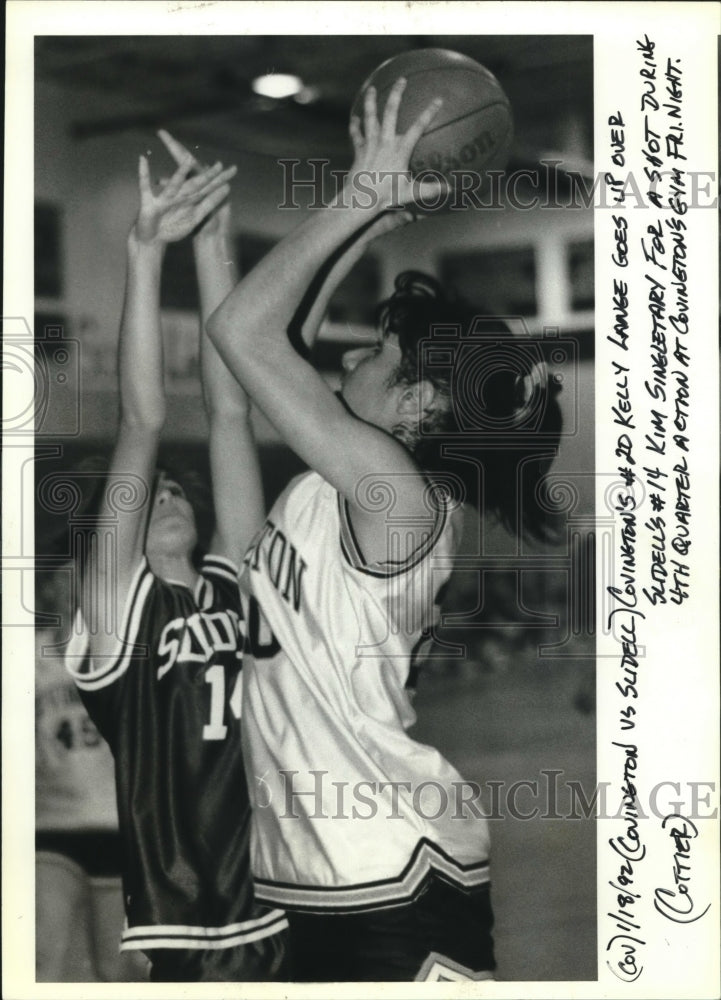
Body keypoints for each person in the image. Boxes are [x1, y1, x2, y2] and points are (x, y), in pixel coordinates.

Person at [206, 79, 562, 981]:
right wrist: (376, 222)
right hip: (313, 868)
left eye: (378, 354)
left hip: (389, 866)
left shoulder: (396, 497)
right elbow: (266, 336)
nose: (350, 356)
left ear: (419, 402)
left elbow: (246, 332)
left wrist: (361, 195)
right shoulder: (340, 488)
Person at [65, 133, 287, 982]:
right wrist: (147, 252)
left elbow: (231, 415)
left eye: (177, 493)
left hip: (280, 887)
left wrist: (214, 246)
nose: (167, 495)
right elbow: (142, 421)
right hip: (185, 915)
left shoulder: (232, 578)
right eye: (150, 494)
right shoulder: (119, 613)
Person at [35, 566, 149, 982]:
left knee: (115, 969)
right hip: (50, 824)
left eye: (80, 577)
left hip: (117, 824)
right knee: (40, 952)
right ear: (48, 590)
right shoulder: (27, 656)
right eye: (63, 579)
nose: (72, 588)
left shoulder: (124, 656)